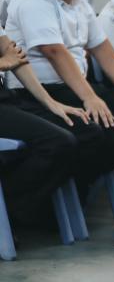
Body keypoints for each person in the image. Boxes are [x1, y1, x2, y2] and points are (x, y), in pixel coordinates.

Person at [5, 0, 114, 186]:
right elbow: (53, 51)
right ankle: (71, 189)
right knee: (98, 130)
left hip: (75, 84)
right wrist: (89, 97)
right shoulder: (31, 0)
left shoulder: (79, 2)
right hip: (39, 91)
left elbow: (100, 45)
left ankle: (90, 180)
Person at [0, 25, 88, 225]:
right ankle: (9, 211)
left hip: (6, 99)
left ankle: (11, 209)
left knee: (76, 134)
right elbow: (8, 59)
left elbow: (15, 57)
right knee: (57, 142)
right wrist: (3, 62)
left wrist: (50, 103)